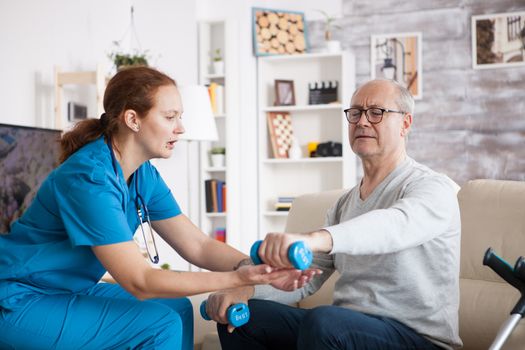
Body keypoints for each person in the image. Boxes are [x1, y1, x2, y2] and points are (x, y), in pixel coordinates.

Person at [0, 66, 315, 350]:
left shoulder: (142, 175)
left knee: (174, 308)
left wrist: (261, 269)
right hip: (20, 299)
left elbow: (199, 246)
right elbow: (140, 282)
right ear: (133, 119)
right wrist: (242, 278)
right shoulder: (89, 178)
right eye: (170, 117)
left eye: (180, 117)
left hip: (62, 291)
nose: (180, 128)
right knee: (158, 324)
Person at [208, 79, 463, 350]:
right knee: (245, 318)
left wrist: (313, 238)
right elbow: (305, 278)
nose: (363, 121)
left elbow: (394, 226)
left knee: (326, 322)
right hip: (348, 330)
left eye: (376, 112)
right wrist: (244, 289)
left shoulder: (433, 187)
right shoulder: (344, 204)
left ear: (405, 123)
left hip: (418, 339)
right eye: (355, 113)